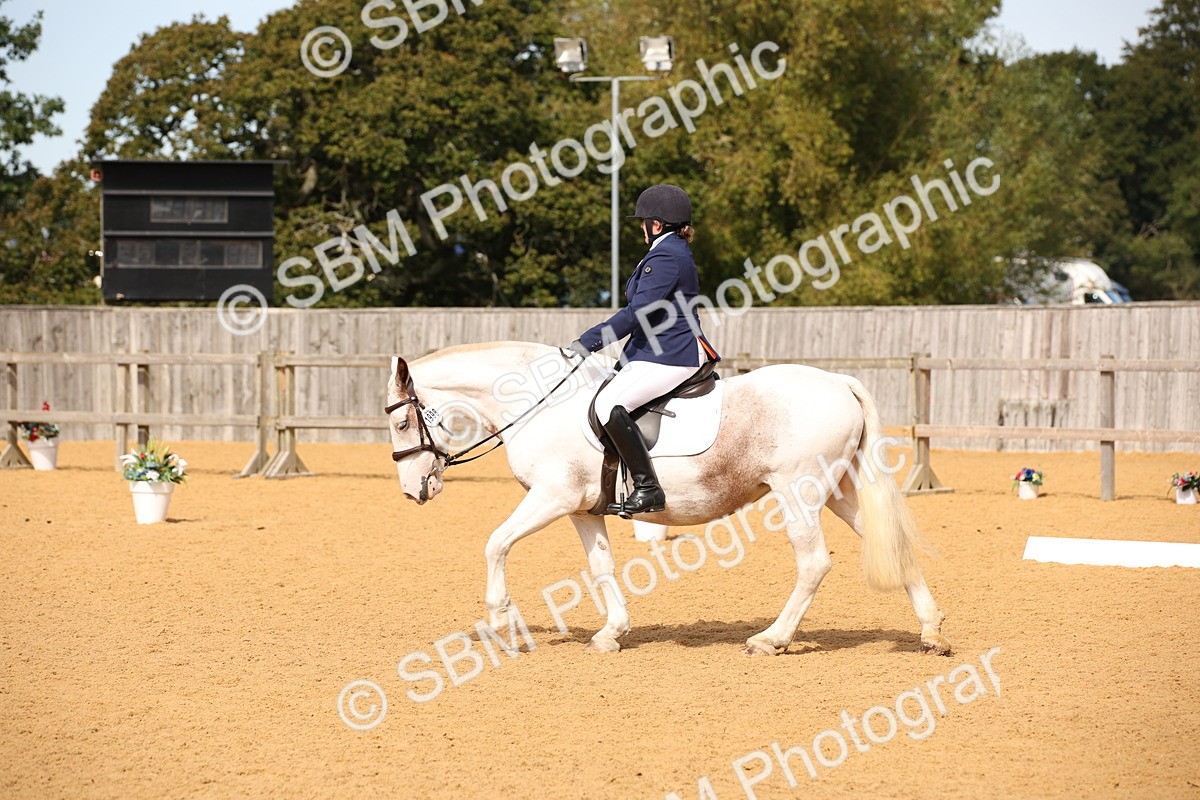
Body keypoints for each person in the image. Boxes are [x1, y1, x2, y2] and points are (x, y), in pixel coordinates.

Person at [568, 184, 719, 516]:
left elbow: (638, 312)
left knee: (609, 404)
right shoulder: (672, 251)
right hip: (658, 349)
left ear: (656, 224)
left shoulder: (666, 255)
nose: (640, 228)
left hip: (671, 352)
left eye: (643, 222)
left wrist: (588, 343)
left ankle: (648, 488)